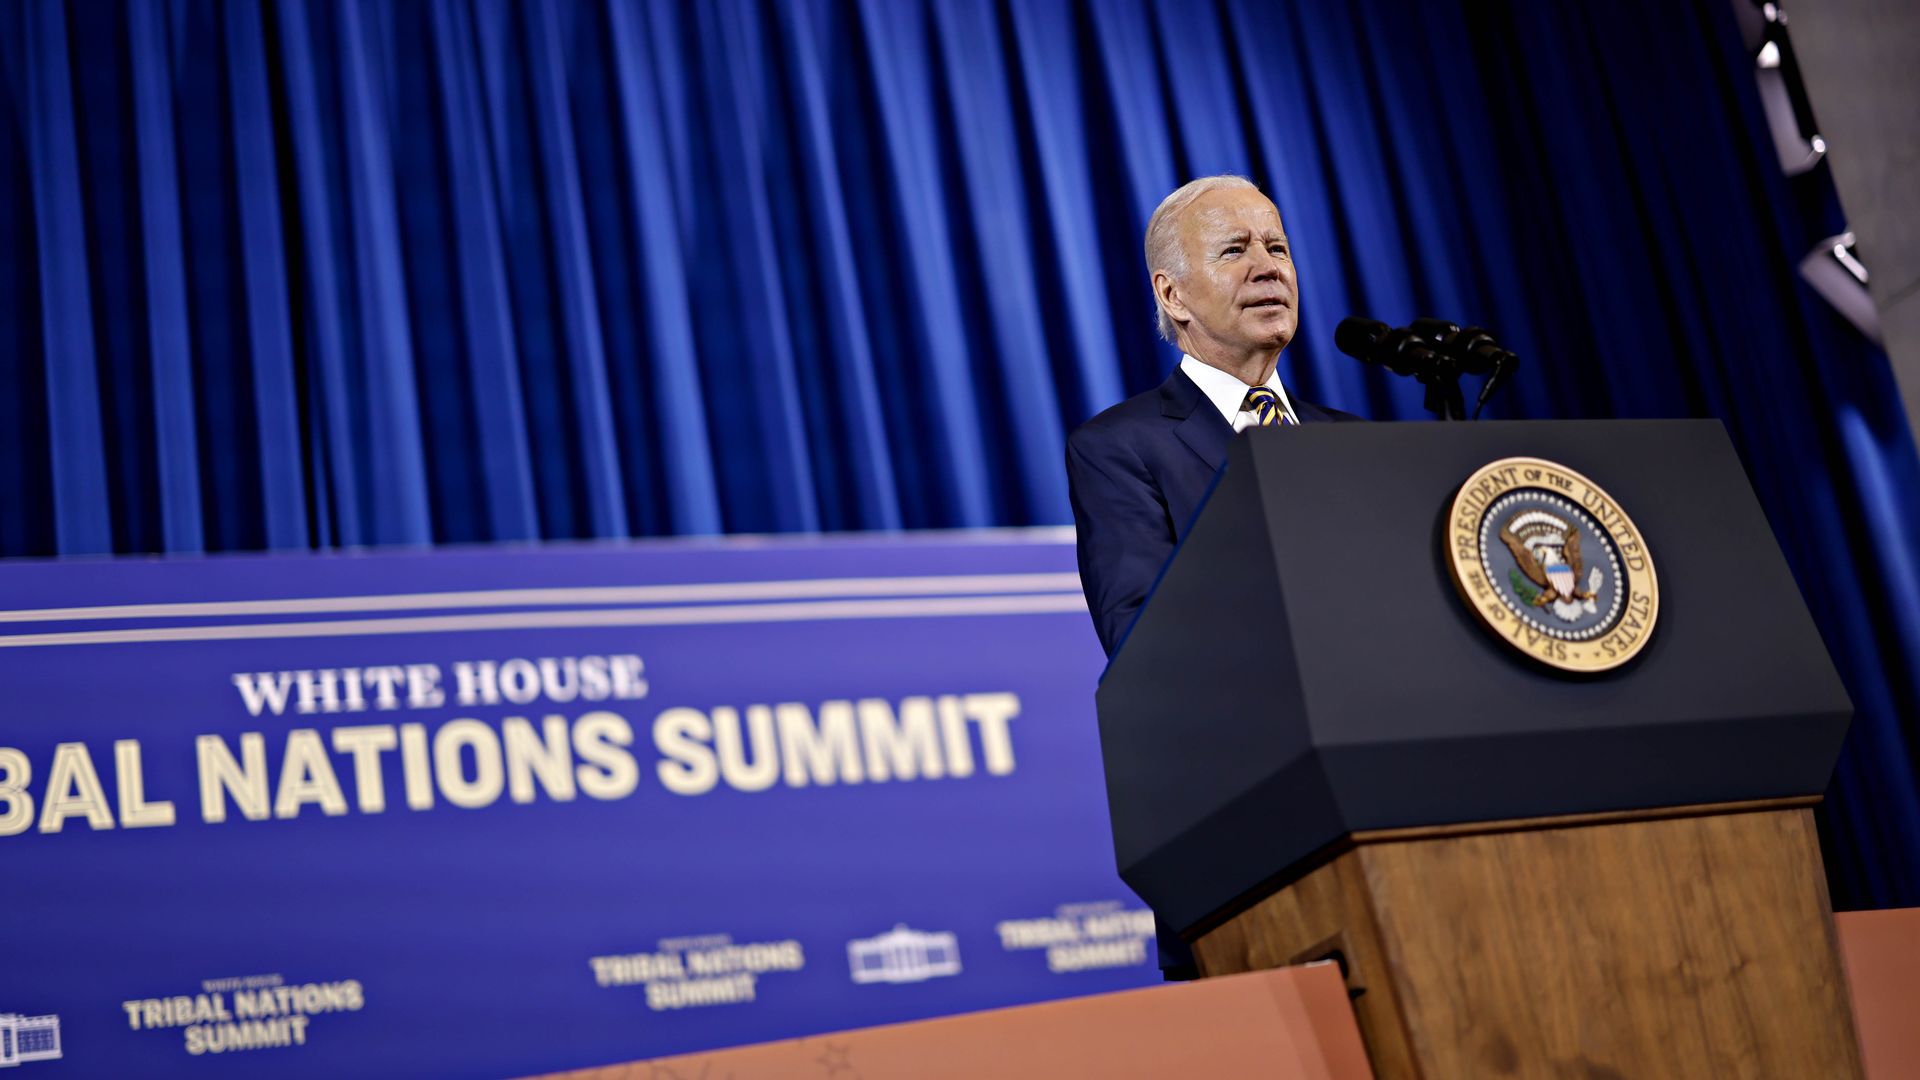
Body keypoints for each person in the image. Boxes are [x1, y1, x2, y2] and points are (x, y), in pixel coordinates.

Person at [1064, 174, 1361, 979]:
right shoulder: (1123, 448)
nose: (1270, 266)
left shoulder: (1356, 443)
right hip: (1252, 834)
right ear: (1175, 294)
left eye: (1278, 247)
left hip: (1392, 804)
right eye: (1235, 250)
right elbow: (1141, 638)